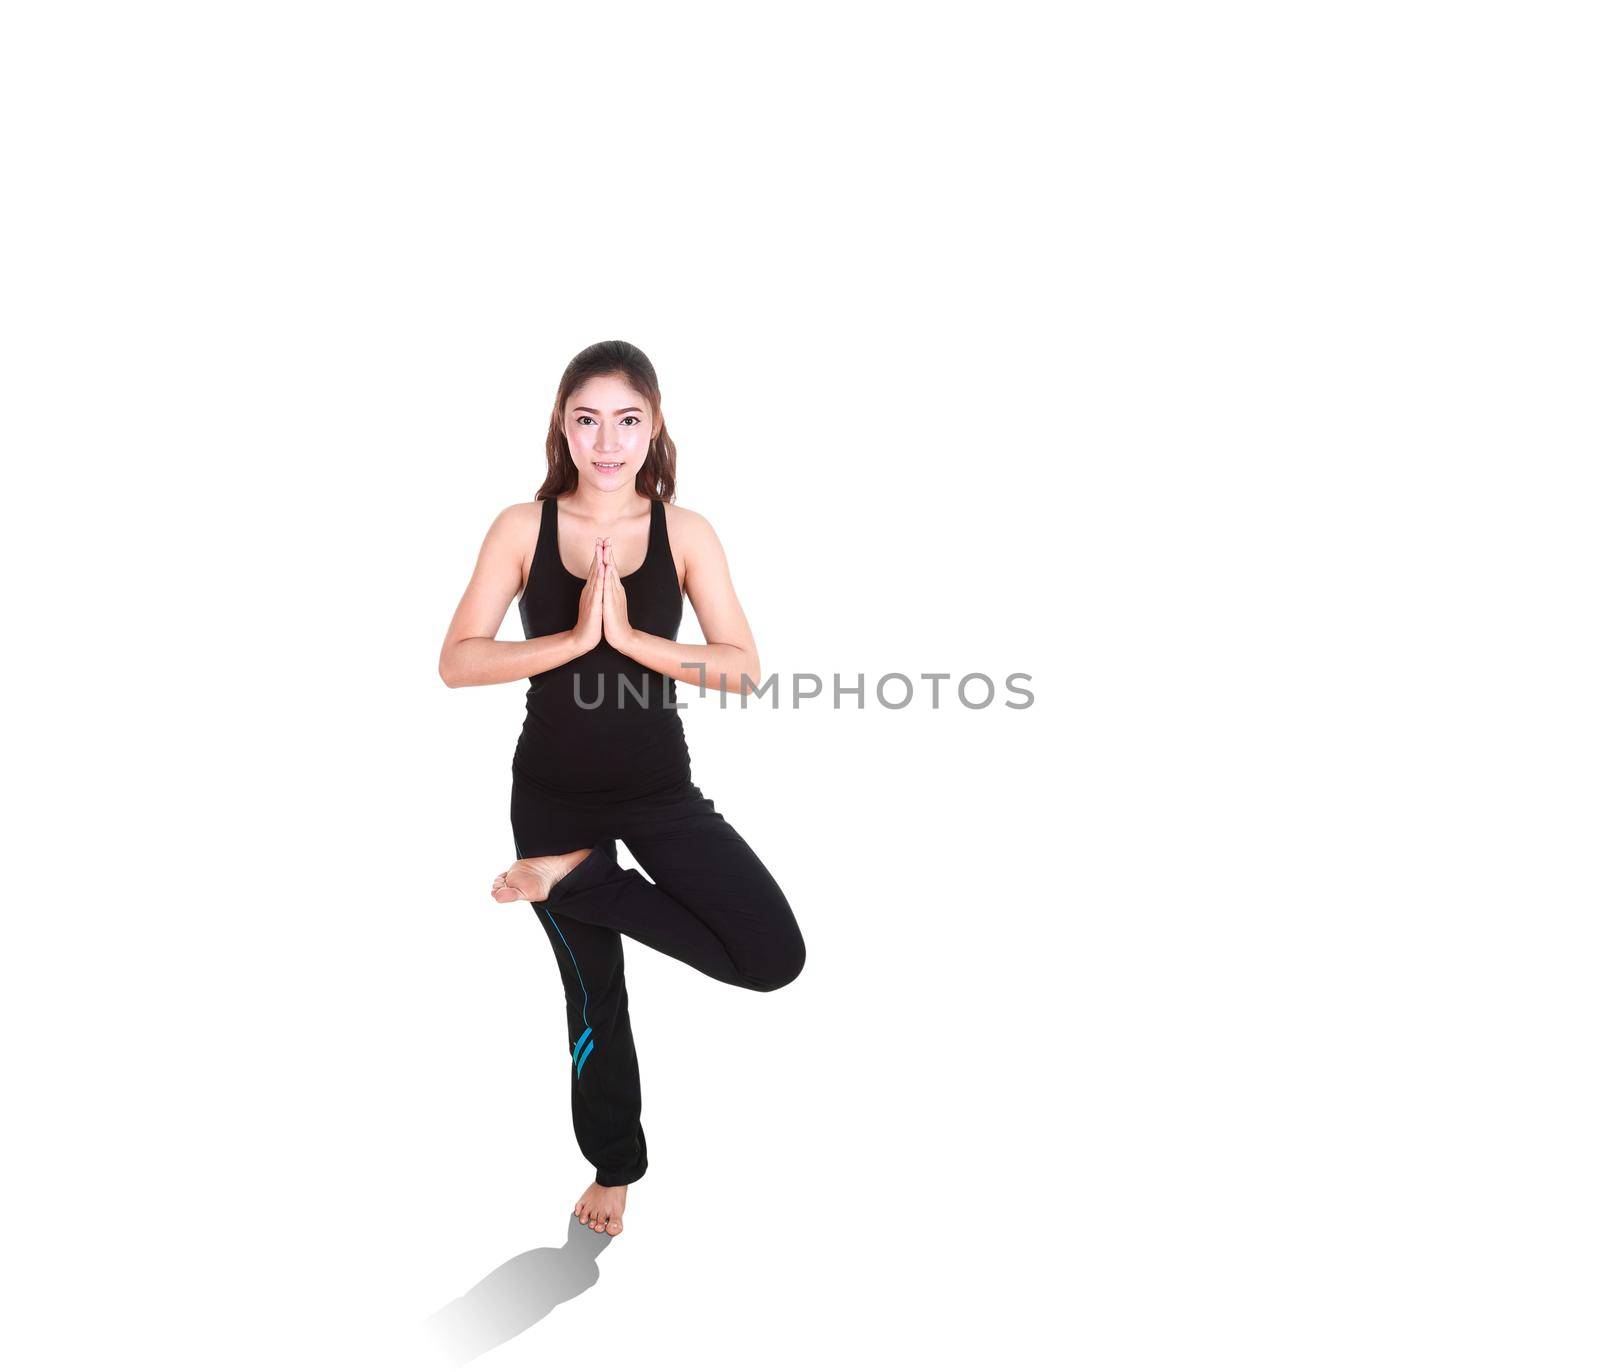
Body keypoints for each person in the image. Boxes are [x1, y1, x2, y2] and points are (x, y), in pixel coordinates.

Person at [438, 340, 806, 1238]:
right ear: (563, 426)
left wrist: (630, 639)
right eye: (588, 419)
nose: (608, 441)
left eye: (628, 420)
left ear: (655, 427)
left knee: (772, 958)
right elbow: (456, 662)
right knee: (595, 993)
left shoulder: (687, 533)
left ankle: (580, 877)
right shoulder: (521, 528)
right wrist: (569, 641)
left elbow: (743, 667)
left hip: (658, 792)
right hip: (553, 799)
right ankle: (613, 1168)